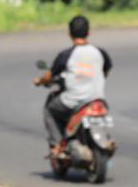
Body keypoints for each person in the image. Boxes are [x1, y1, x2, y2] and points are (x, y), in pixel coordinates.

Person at [33, 15, 112, 154]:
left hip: (74, 102)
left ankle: (57, 145)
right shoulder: (100, 53)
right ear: (89, 32)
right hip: (98, 100)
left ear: (69, 33)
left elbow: (49, 76)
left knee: (50, 109)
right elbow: (106, 71)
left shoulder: (66, 55)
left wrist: (40, 81)